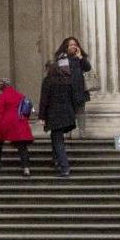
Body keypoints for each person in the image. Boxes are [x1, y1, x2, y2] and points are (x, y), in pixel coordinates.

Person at [38, 47, 90, 177]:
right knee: (56, 137)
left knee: (58, 141)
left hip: (55, 116)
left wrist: (41, 116)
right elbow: (72, 98)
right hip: (67, 115)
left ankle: (64, 167)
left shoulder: (48, 81)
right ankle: (56, 160)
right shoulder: (66, 81)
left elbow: (44, 100)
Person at [0, 77, 33, 175]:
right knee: (22, 147)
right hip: (20, 122)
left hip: (6, 123)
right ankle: (26, 168)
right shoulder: (20, 95)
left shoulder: (1, 97)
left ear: (3, 86)